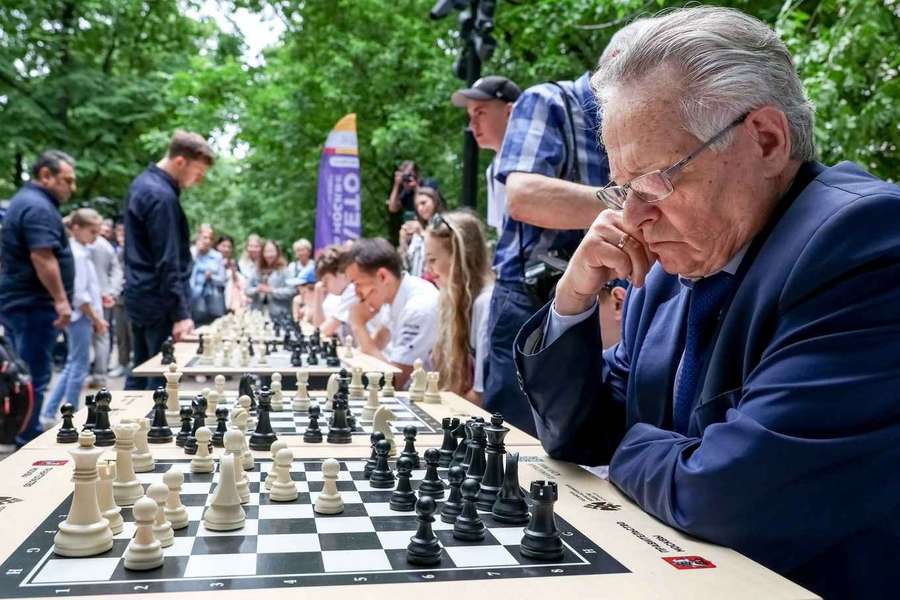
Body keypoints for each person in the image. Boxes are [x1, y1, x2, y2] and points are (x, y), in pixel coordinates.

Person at [513, 8, 900, 598]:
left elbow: (733, 495)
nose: (630, 218)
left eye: (655, 182)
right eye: (623, 189)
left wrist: (628, 447)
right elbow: (578, 437)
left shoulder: (865, 243)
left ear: (766, 140)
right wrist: (572, 298)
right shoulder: (669, 270)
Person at [474, 65, 609, 436]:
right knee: (514, 436)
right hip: (529, 300)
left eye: (479, 112)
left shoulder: (631, 120)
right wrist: (631, 202)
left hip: (600, 302)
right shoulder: (547, 99)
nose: (471, 125)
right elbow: (523, 197)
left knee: (576, 438)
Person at [123, 130, 214, 390]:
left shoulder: (141, 184)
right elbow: (167, 260)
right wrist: (180, 313)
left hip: (140, 295)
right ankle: (149, 431)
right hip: (159, 300)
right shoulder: (161, 197)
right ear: (180, 162)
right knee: (160, 381)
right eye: (198, 172)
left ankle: (123, 428)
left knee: (140, 371)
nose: (199, 180)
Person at [0, 150, 77, 444]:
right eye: (67, 180)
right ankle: (27, 439)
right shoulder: (37, 207)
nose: (72, 188)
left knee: (24, 372)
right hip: (33, 305)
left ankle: (22, 433)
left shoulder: (26, 202)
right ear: (46, 175)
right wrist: (60, 299)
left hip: (23, 303)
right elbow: (42, 256)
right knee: (33, 376)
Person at [41, 209, 108, 426]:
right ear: (76, 228)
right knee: (79, 367)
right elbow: (80, 295)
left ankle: (51, 411)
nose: (96, 237)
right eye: (92, 232)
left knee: (73, 364)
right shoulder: (77, 254)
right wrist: (96, 318)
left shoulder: (81, 250)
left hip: (82, 315)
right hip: (81, 316)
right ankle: (74, 415)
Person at [345, 238, 439, 388]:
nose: (357, 294)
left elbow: (394, 381)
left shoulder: (418, 308)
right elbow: (375, 344)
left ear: (383, 276)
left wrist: (358, 325)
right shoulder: (395, 295)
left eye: (357, 284)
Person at [424, 211, 494, 404]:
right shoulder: (449, 300)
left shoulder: (485, 303)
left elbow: (481, 396)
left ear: (459, 259)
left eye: (432, 260)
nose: (427, 270)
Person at [451, 75, 522, 235]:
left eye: (480, 113)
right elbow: (502, 232)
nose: (472, 124)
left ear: (510, 112)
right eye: (470, 116)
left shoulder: (539, 159)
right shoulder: (494, 168)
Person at [86, 216, 122, 388]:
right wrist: (111, 292)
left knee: (85, 337)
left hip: (86, 298)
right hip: (102, 297)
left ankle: (84, 372)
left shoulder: (82, 245)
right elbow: (116, 271)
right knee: (102, 337)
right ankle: (99, 375)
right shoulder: (106, 247)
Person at [399, 186, 443, 278]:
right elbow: (406, 265)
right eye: (417, 206)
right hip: (417, 282)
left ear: (435, 202)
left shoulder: (443, 223)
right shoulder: (418, 230)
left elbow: (441, 249)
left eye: (423, 203)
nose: (420, 209)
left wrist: (422, 233)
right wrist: (403, 242)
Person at [245, 239, 295, 319]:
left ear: (277, 252)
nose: (269, 255)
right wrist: (257, 289)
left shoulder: (285, 270)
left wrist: (272, 290)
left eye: (272, 251)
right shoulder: (257, 269)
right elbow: (247, 290)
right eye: (266, 252)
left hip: (279, 313)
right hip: (258, 313)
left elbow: (291, 291)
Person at [189, 228, 226, 326]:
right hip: (191, 299)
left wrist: (212, 277)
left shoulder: (217, 256)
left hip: (211, 300)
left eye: (210, 238)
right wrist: (197, 253)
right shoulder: (190, 253)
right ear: (198, 238)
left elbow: (222, 280)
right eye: (205, 237)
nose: (207, 241)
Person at [109, 221, 132, 377]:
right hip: (119, 298)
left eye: (124, 233)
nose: (121, 236)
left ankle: (135, 363)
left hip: (133, 297)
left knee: (132, 333)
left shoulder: (134, 252)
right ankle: (122, 363)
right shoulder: (115, 252)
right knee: (120, 333)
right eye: (119, 233)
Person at [386, 161, 420, 246]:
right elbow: (392, 208)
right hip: (409, 232)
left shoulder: (428, 185)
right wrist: (396, 185)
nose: (406, 180)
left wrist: (416, 187)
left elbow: (422, 203)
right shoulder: (406, 194)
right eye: (404, 177)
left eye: (409, 175)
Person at [216, 234, 248, 312]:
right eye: (224, 246)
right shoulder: (211, 261)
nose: (226, 249)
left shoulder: (234, 263)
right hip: (216, 301)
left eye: (229, 247)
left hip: (232, 303)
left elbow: (241, 283)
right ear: (217, 246)